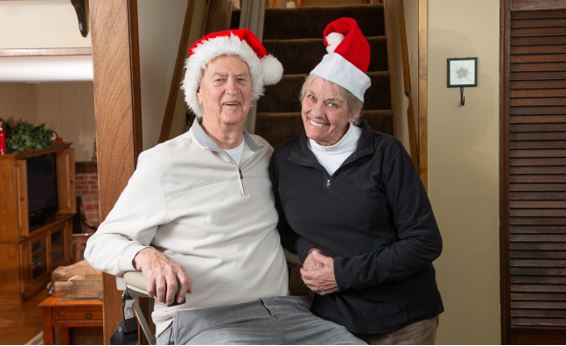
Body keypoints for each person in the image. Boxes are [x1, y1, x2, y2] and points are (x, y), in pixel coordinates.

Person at [84, 28, 364, 345]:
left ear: (252, 92)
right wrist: (147, 255)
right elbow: (100, 243)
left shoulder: (267, 155)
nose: (232, 89)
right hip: (202, 322)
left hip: (282, 314)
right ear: (198, 92)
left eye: (242, 79)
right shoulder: (162, 163)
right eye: (219, 80)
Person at [270, 17, 444, 345]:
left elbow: (425, 241)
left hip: (401, 321)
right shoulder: (284, 160)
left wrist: (342, 274)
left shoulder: (387, 154)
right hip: (331, 322)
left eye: (332, 103)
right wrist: (307, 250)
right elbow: (284, 228)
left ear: (355, 110)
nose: (317, 112)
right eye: (310, 98)